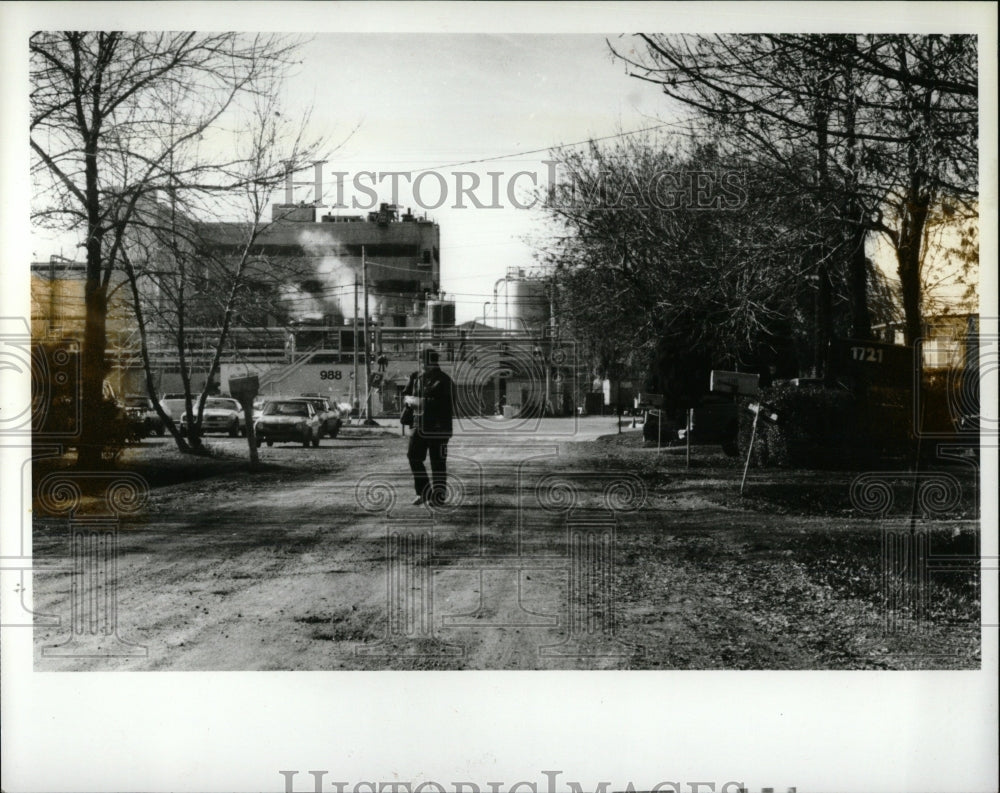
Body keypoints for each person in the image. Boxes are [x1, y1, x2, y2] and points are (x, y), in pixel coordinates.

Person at [403, 347, 454, 506]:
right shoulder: (416, 377)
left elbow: (445, 405)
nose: (421, 364)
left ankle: (438, 497)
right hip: (419, 426)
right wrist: (410, 400)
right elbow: (405, 395)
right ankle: (424, 493)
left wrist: (417, 401)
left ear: (431, 361)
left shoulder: (444, 380)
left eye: (423, 360)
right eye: (421, 361)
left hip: (439, 428)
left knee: (437, 463)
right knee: (413, 457)